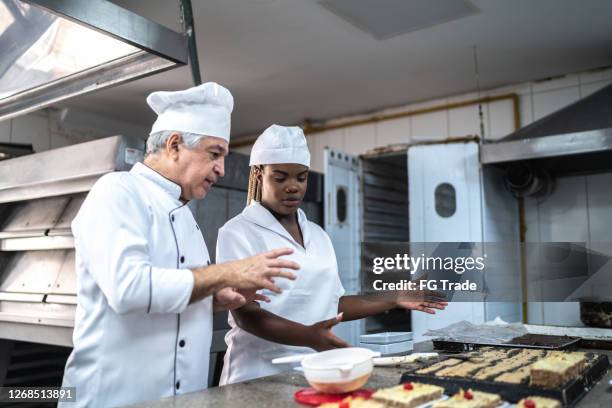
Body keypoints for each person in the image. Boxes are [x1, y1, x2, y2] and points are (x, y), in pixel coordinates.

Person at [60, 84, 298, 407]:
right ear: (174, 145)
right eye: (214, 154)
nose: (222, 169)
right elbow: (128, 288)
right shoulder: (117, 192)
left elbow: (171, 294)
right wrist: (227, 272)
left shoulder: (187, 218)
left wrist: (216, 298)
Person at [216, 125, 447, 385]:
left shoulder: (318, 235)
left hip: (315, 371)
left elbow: (333, 304)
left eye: (301, 178)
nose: (293, 187)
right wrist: (309, 336)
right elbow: (245, 313)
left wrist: (395, 297)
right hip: (256, 375)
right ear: (258, 175)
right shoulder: (237, 232)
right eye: (280, 178)